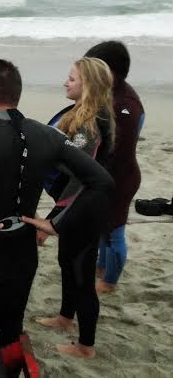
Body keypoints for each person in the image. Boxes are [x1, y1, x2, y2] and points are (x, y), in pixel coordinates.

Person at [0, 58, 114, 377]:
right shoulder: (49, 136)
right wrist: (54, 223)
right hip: (22, 252)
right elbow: (100, 182)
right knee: (10, 331)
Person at [35, 57, 116, 359]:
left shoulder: (91, 125)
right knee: (67, 264)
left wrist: (53, 220)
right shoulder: (83, 114)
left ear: (89, 86)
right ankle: (65, 318)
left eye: (71, 78)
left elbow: (81, 180)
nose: (65, 82)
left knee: (82, 275)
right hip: (76, 207)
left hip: (85, 209)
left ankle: (86, 346)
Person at [85, 41, 145, 294]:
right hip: (106, 176)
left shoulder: (125, 107)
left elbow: (118, 153)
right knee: (102, 226)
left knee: (114, 232)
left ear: (107, 71)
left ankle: (109, 282)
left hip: (120, 179)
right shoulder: (109, 94)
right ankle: (100, 267)